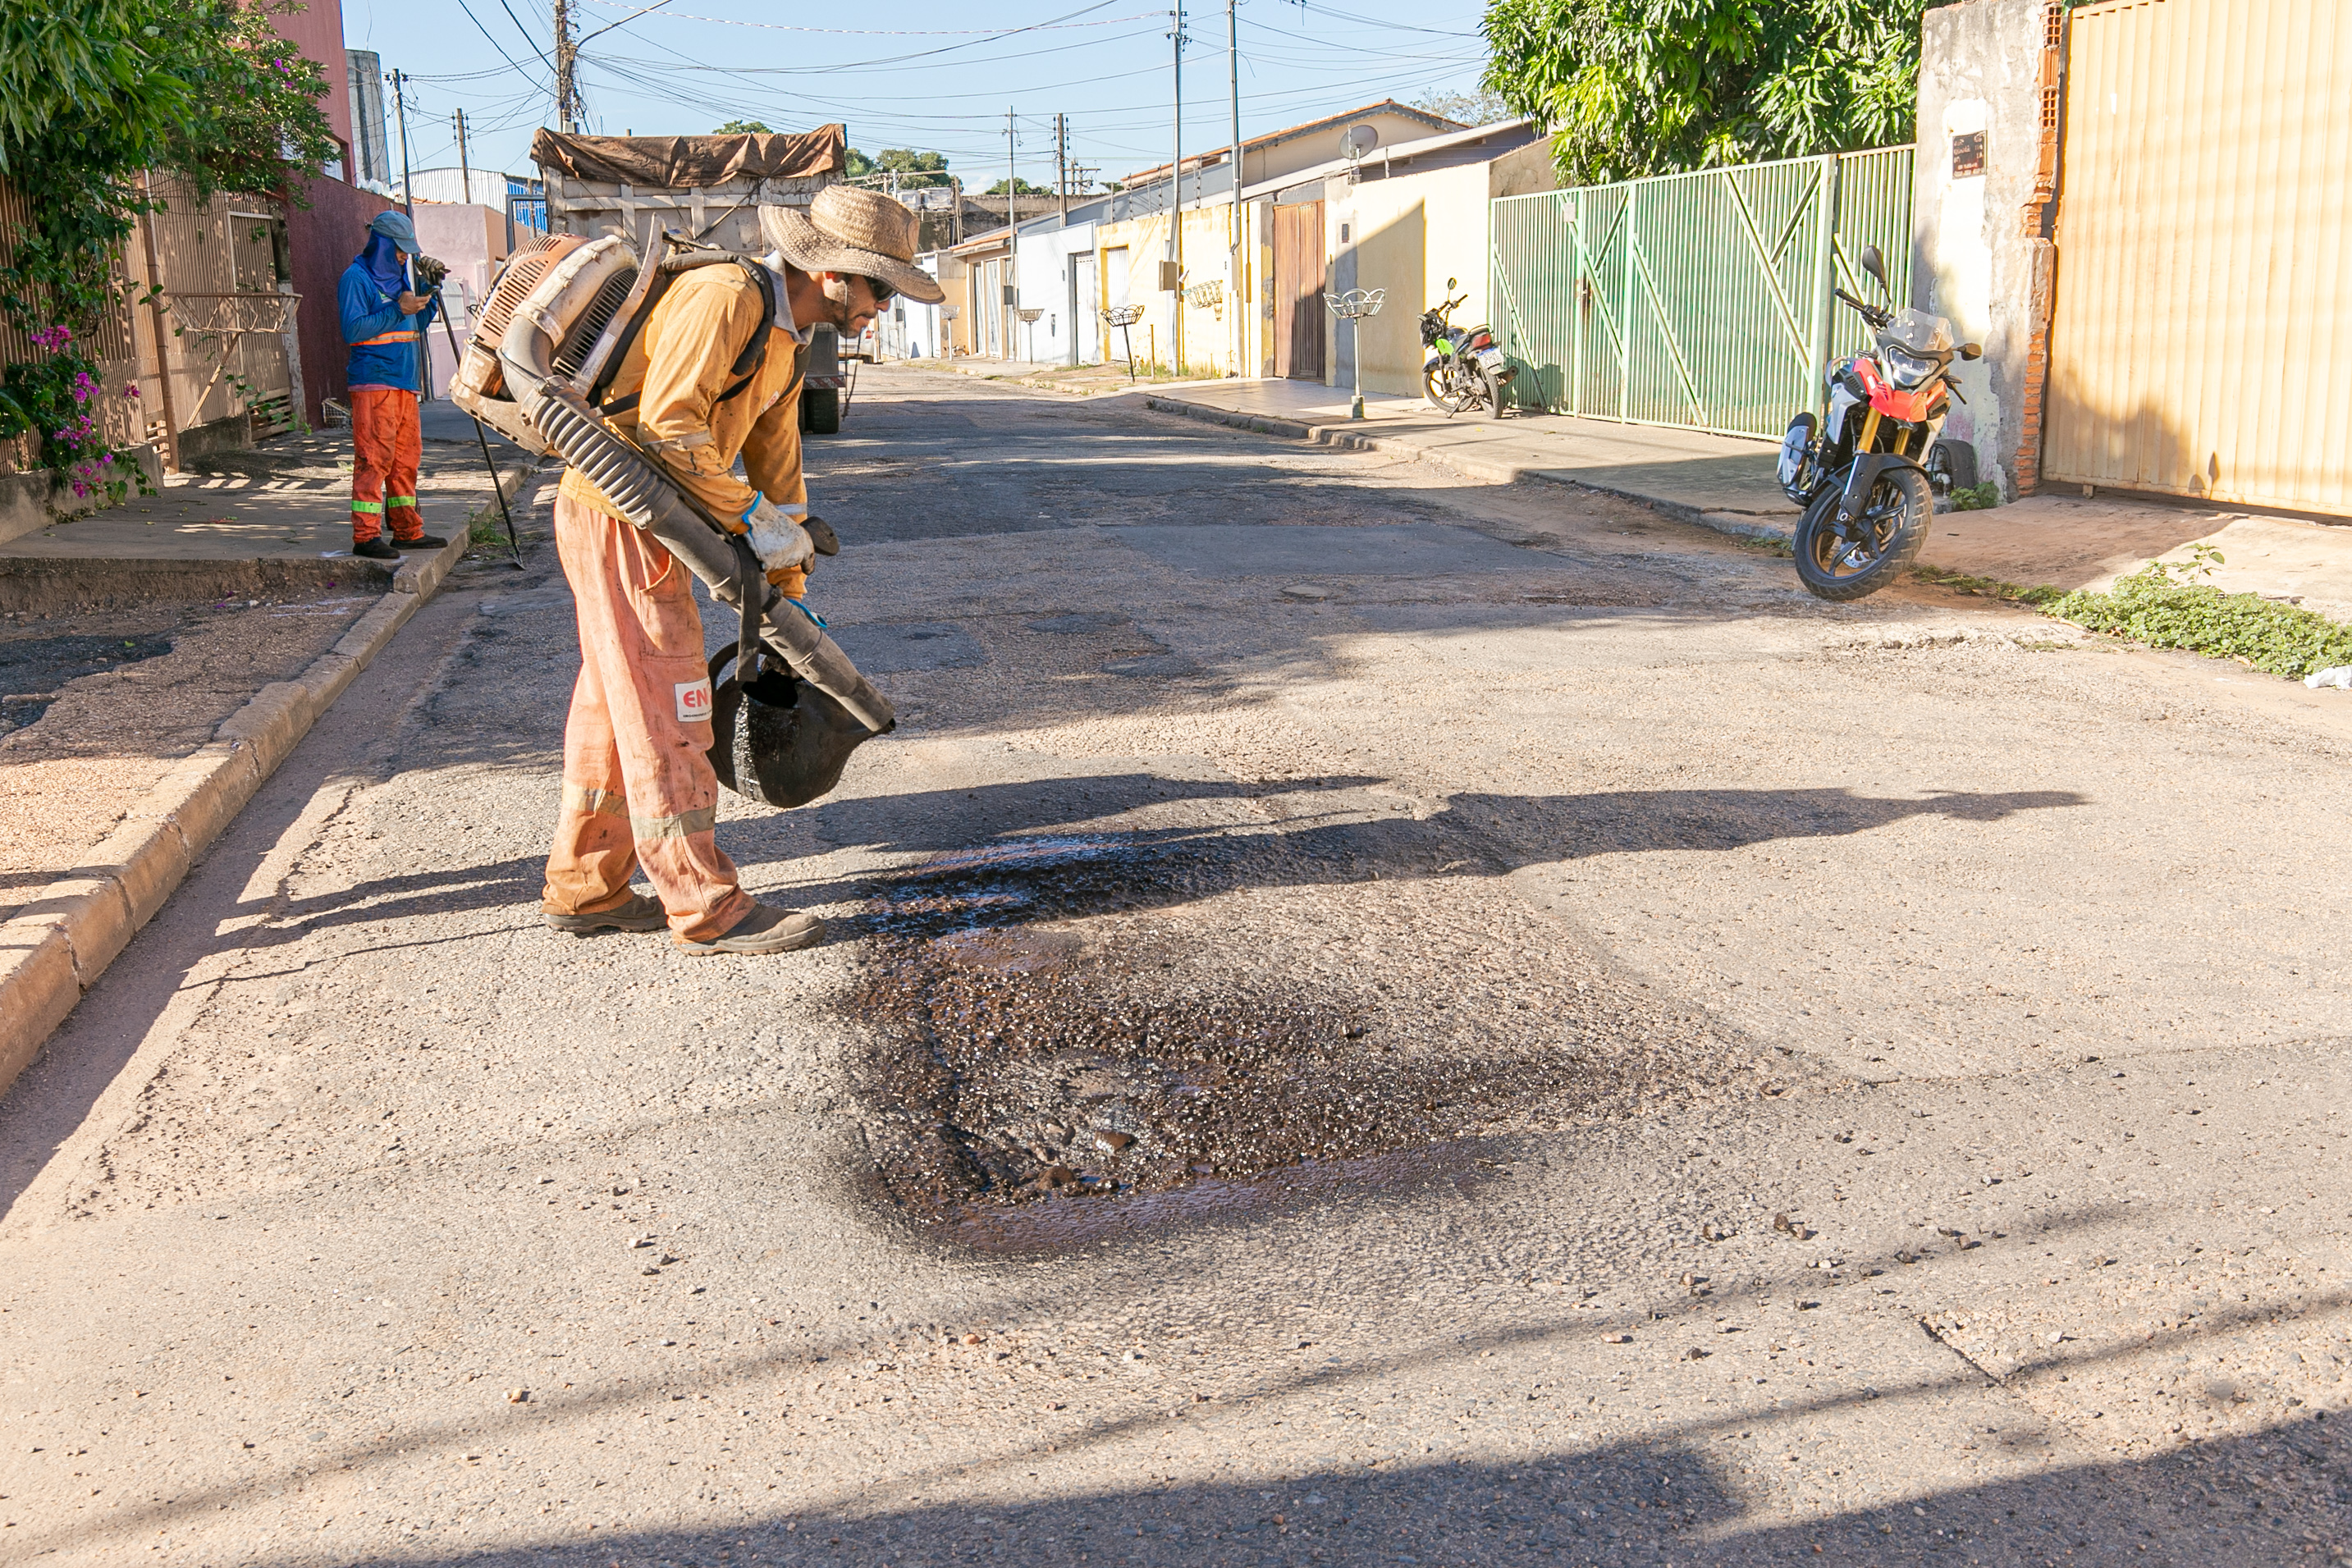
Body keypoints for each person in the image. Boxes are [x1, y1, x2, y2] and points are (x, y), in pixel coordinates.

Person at [540, 185, 945, 956]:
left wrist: (791, 589)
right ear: (833, 275)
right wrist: (749, 517)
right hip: (618, 509)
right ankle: (704, 906)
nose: (884, 308)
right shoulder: (726, 296)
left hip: (651, 518)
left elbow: (777, 467)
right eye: (882, 289)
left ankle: (586, 886)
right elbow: (668, 427)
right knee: (669, 706)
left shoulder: (787, 340)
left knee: (616, 700)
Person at [339, 210, 445, 561]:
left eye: (407, 251)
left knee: (405, 461)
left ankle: (407, 531)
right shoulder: (356, 279)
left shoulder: (401, 281)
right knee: (374, 459)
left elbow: (416, 324)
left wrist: (429, 291)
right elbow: (353, 330)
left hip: (405, 382)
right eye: (399, 249)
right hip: (374, 383)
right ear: (382, 245)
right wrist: (399, 309)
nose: (403, 256)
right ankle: (366, 536)